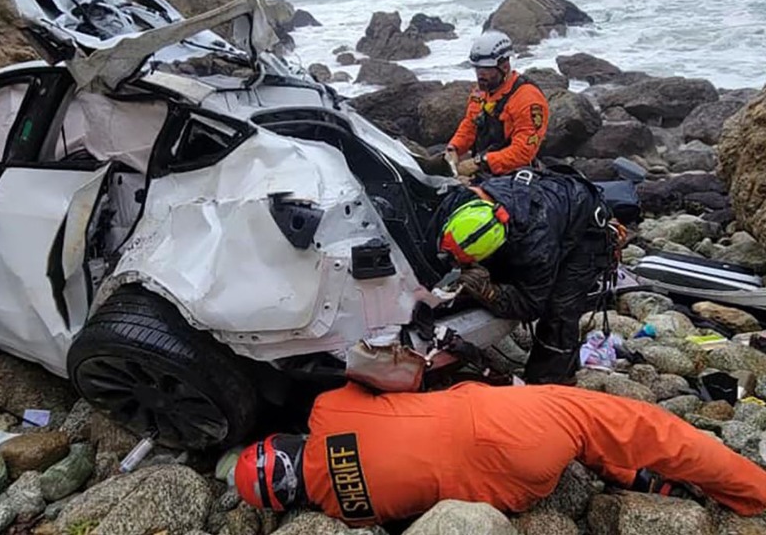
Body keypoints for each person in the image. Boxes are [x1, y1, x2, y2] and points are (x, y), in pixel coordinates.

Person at [232, 380, 766, 526]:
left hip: (518, 491)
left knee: (575, 442)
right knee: (642, 426)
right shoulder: (328, 412)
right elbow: (394, 377)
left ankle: (639, 480)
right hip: (505, 423)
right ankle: (754, 493)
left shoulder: (344, 512)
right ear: (281, 443)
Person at [421, 167, 616, 384]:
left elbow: (532, 305)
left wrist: (490, 292)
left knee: (559, 313)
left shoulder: (536, 248)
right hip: (543, 200)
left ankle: (548, 383)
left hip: (584, 227)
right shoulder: (459, 201)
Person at [446, 30, 550, 179]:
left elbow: (523, 152)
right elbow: (470, 124)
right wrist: (453, 149)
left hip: (515, 174)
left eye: (486, 70)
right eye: (477, 69)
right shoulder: (482, 91)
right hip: (485, 166)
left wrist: (479, 163)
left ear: (504, 67)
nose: (480, 75)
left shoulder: (527, 99)